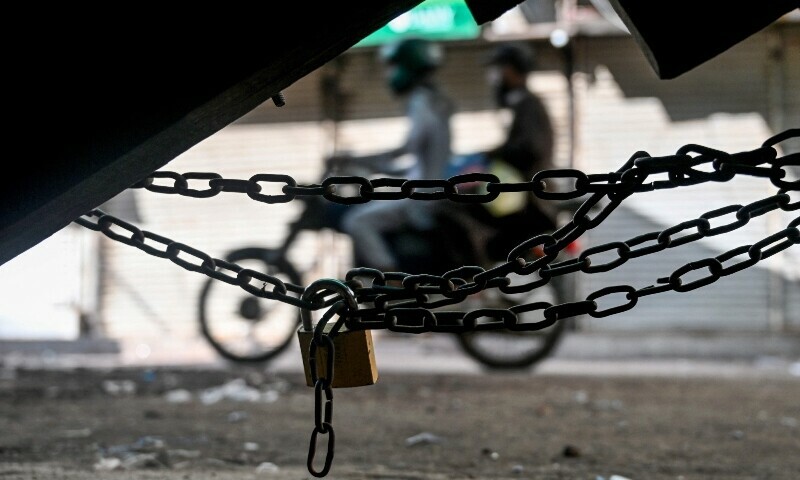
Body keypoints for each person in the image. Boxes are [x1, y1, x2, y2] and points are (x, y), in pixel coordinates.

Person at [336, 37, 456, 272]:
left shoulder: (421, 101)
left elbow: (407, 148)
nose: (389, 74)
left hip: (422, 197)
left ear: (408, 66)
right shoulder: (435, 99)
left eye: (394, 66)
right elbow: (419, 163)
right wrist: (377, 166)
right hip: (428, 188)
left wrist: (357, 160)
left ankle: (391, 280)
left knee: (357, 221)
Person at [470, 42, 560, 258]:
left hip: (529, 198)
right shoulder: (522, 104)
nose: (492, 76)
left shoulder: (527, 105)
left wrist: (492, 155)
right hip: (525, 194)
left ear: (509, 70)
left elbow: (529, 148)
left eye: (496, 68)